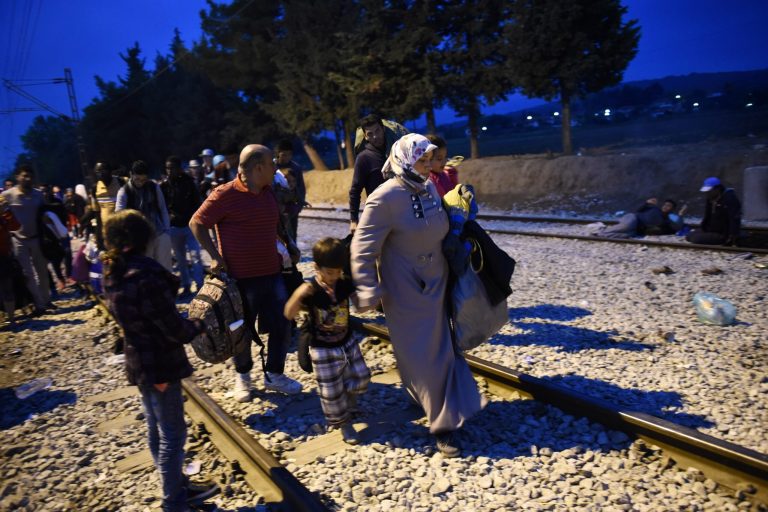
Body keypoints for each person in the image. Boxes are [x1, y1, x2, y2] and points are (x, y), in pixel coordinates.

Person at [351, 133, 485, 457]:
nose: (427, 167)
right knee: (428, 357)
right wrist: (369, 289)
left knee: (440, 352)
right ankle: (443, 426)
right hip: (406, 290)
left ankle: (427, 402)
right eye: (421, 160)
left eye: (429, 160)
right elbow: (363, 246)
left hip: (437, 284)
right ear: (404, 159)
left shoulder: (425, 188)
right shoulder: (384, 198)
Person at [101, 210, 217, 511]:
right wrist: (198, 324)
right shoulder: (146, 276)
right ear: (145, 240)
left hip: (140, 361)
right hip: (160, 364)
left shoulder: (113, 271)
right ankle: (173, 501)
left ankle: (176, 486)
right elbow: (174, 329)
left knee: (156, 428)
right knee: (173, 435)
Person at [190, 144, 302, 401]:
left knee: (282, 323)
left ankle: (275, 374)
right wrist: (215, 258)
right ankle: (243, 379)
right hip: (239, 279)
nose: (275, 167)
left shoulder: (268, 192)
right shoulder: (224, 194)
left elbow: (275, 223)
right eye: (271, 163)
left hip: (272, 273)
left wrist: (289, 244)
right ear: (258, 167)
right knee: (239, 330)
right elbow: (196, 223)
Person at [284, 237, 370, 444]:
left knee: (362, 376)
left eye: (338, 272)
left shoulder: (344, 283)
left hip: (347, 341)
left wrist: (372, 293)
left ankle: (349, 397)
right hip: (322, 348)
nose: (334, 277)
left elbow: (361, 307)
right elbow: (288, 313)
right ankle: (344, 423)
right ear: (316, 268)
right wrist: (299, 294)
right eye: (329, 272)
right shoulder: (311, 289)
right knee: (331, 393)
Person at [1, 165, 53, 315]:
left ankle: (46, 300)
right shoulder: (7, 195)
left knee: (42, 271)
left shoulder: (38, 195)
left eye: (30, 176)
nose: (28, 179)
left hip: (37, 238)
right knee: (27, 273)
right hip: (18, 240)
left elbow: (45, 213)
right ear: (17, 177)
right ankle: (39, 305)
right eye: (24, 176)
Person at [348, 114, 406, 233]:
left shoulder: (397, 153)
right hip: (379, 215)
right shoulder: (363, 158)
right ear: (365, 136)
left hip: (402, 211)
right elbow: (355, 190)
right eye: (370, 134)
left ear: (383, 129)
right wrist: (354, 220)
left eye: (377, 131)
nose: (375, 136)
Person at [116, 160, 173, 271]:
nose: (141, 183)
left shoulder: (154, 187)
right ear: (131, 174)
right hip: (140, 240)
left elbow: (163, 209)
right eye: (138, 179)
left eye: (143, 179)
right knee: (147, 271)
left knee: (165, 269)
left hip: (160, 234)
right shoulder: (124, 192)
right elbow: (119, 217)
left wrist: (167, 231)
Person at [160, 156, 204, 296]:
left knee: (195, 256)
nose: (169, 171)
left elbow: (198, 203)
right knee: (180, 260)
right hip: (173, 227)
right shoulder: (163, 186)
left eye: (172, 167)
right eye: (167, 168)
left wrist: (197, 220)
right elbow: (161, 207)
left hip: (190, 225)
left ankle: (200, 285)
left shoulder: (189, 183)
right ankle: (186, 286)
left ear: (179, 168)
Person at [686, 177, 742, 246]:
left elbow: (734, 218)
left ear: (717, 189)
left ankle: (721, 238)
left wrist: (732, 235)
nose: (707, 193)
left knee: (695, 238)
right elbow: (707, 215)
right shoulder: (710, 198)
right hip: (711, 229)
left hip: (722, 233)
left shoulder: (730, 199)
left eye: (709, 191)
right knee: (689, 236)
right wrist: (704, 227)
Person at [593, 197, 685, 239]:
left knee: (626, 235)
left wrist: (680, 215)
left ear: (672, 210)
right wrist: (646, 203)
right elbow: (637, 209)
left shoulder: (667, 220)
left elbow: (677, 227)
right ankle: (602, 233)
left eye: (668, 206)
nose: (665, 206)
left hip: (636, 229)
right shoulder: (654, 208)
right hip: (633, 218)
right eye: (665, 204)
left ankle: (603, 235)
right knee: (627, 226)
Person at [274, 139, 308, 241]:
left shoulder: (296, 168)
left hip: (292, 209)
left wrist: (298, 206)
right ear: (278, 154)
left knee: (292, 235)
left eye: (289, 155)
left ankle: (293, 255)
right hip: (275, 208)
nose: (286, 158)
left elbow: (301, 188)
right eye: (284, 154)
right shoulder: (271, 167)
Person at [0, 195, 21, 329]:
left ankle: (11, 318)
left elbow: (16, 226)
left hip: (4, 257)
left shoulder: (4, 218)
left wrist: (7, 211)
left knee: (7, 288)